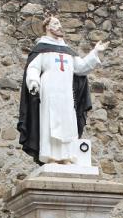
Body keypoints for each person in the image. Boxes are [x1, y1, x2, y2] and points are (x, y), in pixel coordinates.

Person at [17, 14, 108, 164]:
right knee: (50, 122)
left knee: (68, 122)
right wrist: (33, 82)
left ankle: (67, 156)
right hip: (49, 91)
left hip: (66, 93)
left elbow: (81, 68)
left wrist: (95, 52)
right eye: (56, 23)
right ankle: (49, 156)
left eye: (59, 23)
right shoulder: (41, 49)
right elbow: (33, 68)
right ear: (48, 27)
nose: (60, 26)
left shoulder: (67, 51)